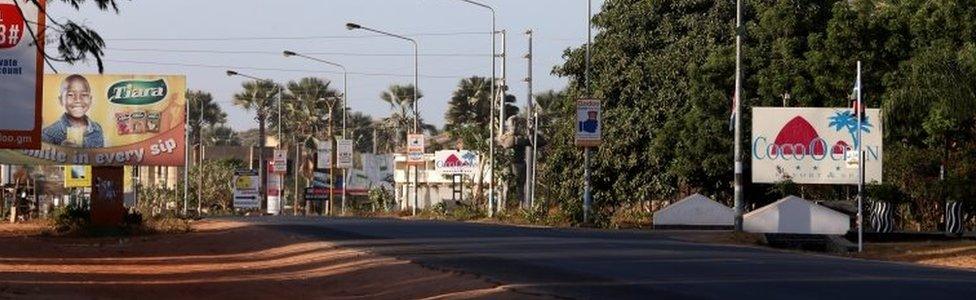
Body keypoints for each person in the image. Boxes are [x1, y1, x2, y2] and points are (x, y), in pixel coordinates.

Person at [42, 74, 104, 148]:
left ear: (90, 99)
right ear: (61, 100)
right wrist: (60, 151)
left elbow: (100, 157)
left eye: (84, 95)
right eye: (70, 95)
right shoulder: (48, 133)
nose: (78, 100)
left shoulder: (97, 129)